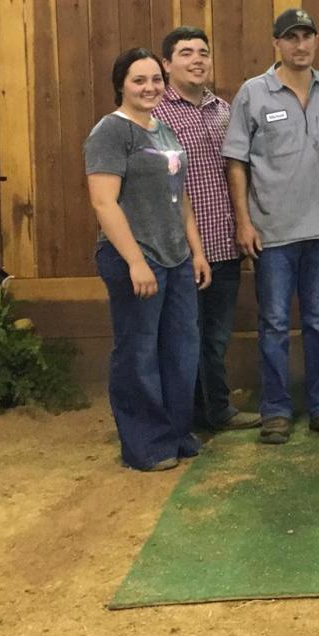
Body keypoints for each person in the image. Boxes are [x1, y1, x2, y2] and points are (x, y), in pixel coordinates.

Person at [222, 8, 319, 444]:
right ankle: (276, 409)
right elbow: (235, 162)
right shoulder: (254, 93)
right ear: (276, 43)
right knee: (274, 324)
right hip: (272, 232)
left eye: (307, 36)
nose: (300, 45)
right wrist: (244, 221)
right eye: (290, 37)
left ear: (316, 41)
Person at [85, 47, 212, 471]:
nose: (150, 87)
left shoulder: (165, 131)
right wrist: (136, 262)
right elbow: (104, 203)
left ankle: (176, 433)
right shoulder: (111, 132)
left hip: (176, 259)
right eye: (139, 80)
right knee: (138, 352)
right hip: (134, 259)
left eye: (156, 79)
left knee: (181, 350)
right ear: (121, 84)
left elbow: (183, 199)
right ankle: (146, 444)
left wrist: (195, 252)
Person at [153, 26, 261, 433]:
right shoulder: (158, 113)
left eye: (203, 52)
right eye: (185, 53)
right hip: (181, 248)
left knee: (215, 338)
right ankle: (183, 416)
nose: (197, 59)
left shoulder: (225, 110)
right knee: (184, 336)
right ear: (167, 64)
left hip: (225, 244)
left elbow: (239, 173)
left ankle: (215, 411)